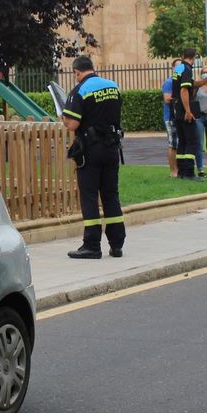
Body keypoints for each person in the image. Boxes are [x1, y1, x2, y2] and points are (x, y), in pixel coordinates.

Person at [62, 55, 125, 260]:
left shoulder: (80, 90)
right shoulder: (113, 86)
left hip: (90, 150)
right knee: (110, 195)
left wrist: (63, 117)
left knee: (89, 196)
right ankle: (117, 244)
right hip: (112, 148)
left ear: (77, 72)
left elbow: (72, 124)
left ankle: (92, 245)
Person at [170, 48, 203, 180]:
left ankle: (181, 172)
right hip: (184, 110)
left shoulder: (179, 68)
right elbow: (184, 90)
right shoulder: (187, 69)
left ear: (183, 56)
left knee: (182, 141)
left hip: (176, 109)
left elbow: (191, 85)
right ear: (194, 57)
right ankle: (189, 173)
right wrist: (188, 111)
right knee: (192, 141)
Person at [161, 69, 178, 177]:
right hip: (170, 118)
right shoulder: (169, 82)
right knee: (173, 144)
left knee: (181, 144)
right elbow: (167, 99)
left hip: (180, 118)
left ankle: (180, 168)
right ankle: (173, 171)